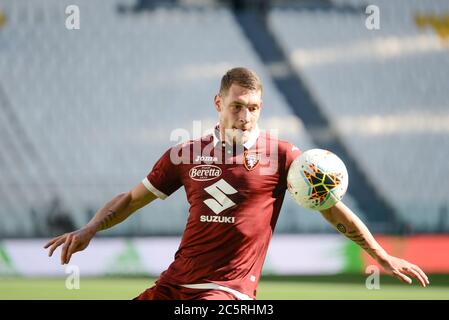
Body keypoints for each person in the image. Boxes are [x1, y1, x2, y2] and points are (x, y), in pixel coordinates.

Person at [44, 67, 429, 300]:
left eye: (254, 107)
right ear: (218, 102)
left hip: (229, 292)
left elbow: (332, 209)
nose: (245, 115)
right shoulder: (185, 154)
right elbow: (131, 199)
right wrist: (91, 228)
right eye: (237, 106)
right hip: (173, 284)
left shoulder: (283, 157)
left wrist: (381, 255)